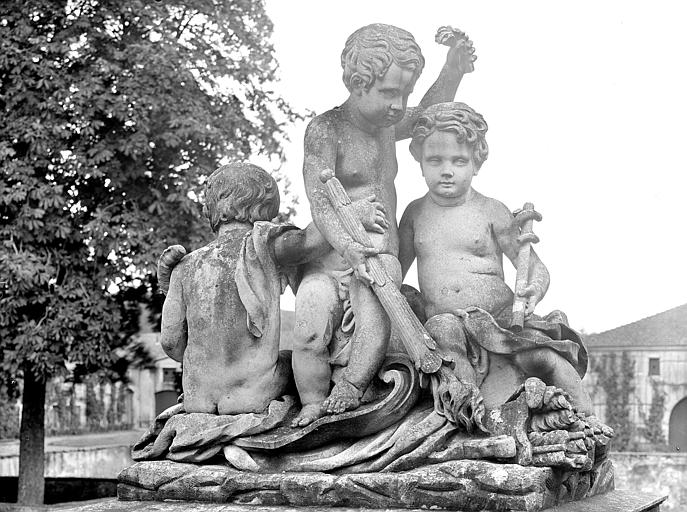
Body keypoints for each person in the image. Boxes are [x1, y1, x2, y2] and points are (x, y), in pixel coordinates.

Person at [292, 23, 477, 427]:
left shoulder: (387, 125)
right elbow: (320, 199)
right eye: (390, 93)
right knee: (307, 328)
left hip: (379, 258)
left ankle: (353, 386)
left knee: (376, 294)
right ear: (357, 83)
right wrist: (347, 243)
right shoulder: (326, 130)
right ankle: (309, 408)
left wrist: (454, 69)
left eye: (405, 93)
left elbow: (429, 112)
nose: (400, 105)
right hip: (330, 260)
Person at [398, 102, 592, 413]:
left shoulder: (491, 210)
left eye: (458, 161)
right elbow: (396, 269)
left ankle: (587, 418)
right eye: (435, 160)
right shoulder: (414, 214)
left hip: (500, 316)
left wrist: (534, 289)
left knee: (541, 356)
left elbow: (533, 267)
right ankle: (471, 420)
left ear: (476, 163)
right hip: (446, 318)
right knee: (446, 344)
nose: (446, 170)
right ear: (420, 162)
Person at [159, 162, 385, 416]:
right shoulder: (262, 244)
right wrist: (353, 214)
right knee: (294, 358)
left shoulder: (184, 267)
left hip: (197, 400)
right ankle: (315, 405)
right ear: (265, 206)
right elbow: (309, 242)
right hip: (251, 396)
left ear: (211, 207)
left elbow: (171, 343)